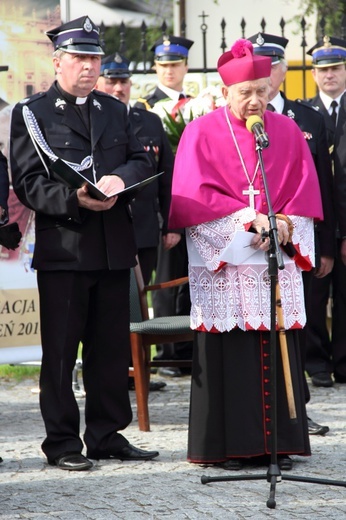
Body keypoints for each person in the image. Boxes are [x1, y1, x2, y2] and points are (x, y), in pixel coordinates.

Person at [10, 15, 159, 471]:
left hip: (114, 246)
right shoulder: (31, 113)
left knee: (110, 349)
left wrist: (121, 178)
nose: (89, 68)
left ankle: (106, 434)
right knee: (61, 351)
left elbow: (139, 160)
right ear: (58, 62)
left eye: (94, 58)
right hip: (65, 248)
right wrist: (72, 198)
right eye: (80, 58)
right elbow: (28, 183)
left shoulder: (115, 109)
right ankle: (61, 443)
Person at [169, 38, 323, 471]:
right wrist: (244, 221)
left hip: (274, 262)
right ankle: (228, 447)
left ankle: (277, 445)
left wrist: (285, 224)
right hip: (226, 264)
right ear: (225, 94)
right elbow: (191, 199)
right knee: (230, 354)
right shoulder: (200, 132)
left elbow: (303, 194)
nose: (255, 101)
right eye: (245, 93)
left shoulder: (287, 131)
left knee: (277, 347)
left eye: (261, 90)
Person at [248, 32, 335, 436]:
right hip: (249, 242)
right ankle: (260, 412)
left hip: (295, 239)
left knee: (298, 324)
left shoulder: (309, 119)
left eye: (273, 64)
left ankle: (297, 408)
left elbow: (324, 190)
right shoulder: (235, 117)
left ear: (283, 70)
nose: (266, 72)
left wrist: (326, 245)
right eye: (258, 62)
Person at [95, 51, 176, 392]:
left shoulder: (150, 122)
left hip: (143, 228)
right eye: (111, 80)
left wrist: (171, 223)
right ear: (101, 83)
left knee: (140, 301)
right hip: (105, 228)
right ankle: (118, 370)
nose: (117, 87)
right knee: (112, 303)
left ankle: (141, 368)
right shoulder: (93, 119)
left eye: (123, 81)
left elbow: (166, 177)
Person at [134, 36, 194, 377]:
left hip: (193, 202)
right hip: (164, 206)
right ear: (156, 68)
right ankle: (168, 351)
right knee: (167, 276)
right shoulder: (144, 108)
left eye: (175, 64)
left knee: (193, 275)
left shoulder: (199, 105)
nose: (170, 71)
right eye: (163, 65)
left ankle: (188, 345)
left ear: (185, 67)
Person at [305, 36, 346, 386]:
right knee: (315, 293)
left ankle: (344, 362)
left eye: (335, 68)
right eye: (323, 70)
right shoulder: (303, 114)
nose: (329, 75)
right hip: (317, 221)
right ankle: (316, 362)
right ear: (314, 74)